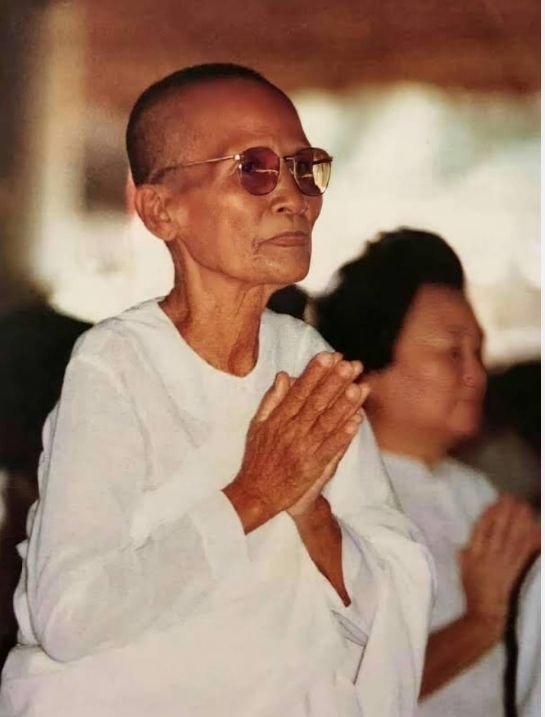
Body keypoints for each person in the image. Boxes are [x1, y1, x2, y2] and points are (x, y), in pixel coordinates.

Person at [0, 66, 433, 717]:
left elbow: (390, 597)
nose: (293, 198)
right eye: (254, 169)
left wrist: (309, 510)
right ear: (161, 210)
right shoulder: (118, 363)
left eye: (303, 168)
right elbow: (71, 614)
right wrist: (254, 494)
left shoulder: (306, 360)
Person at [316, 228, 540, 717]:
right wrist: (482, 620)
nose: (476, 375)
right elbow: (335, 691)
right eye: (452, 353)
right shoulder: (326, 501)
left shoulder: (476, 490)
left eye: (478, 352)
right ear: (367, 369)